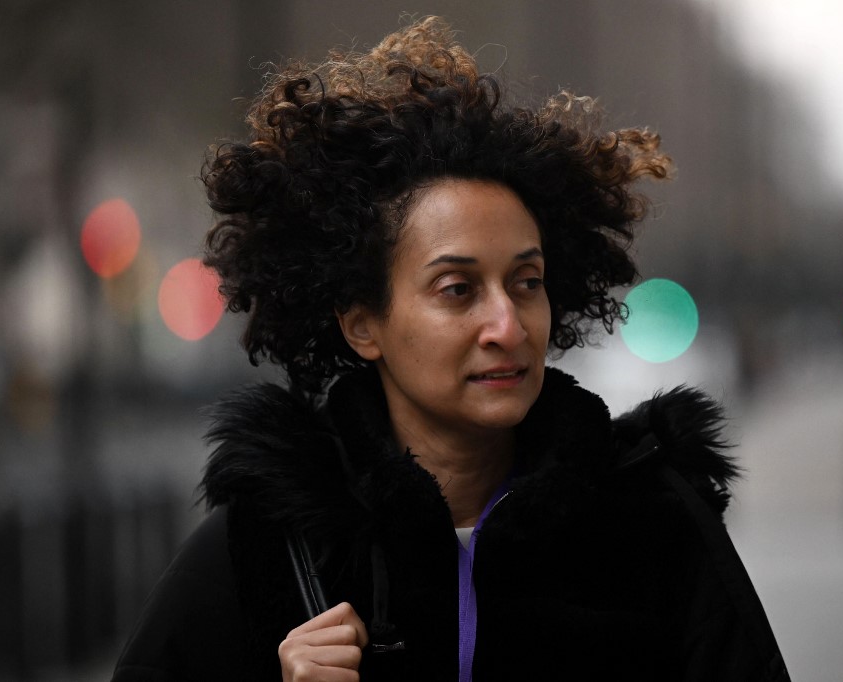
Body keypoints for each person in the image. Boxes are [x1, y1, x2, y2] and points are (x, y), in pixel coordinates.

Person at [112, 16, 789, 682]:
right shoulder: (265, 548)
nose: (508, 323)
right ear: (362, 324)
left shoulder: (652, 533)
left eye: (527, 282)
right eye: (457, 289)